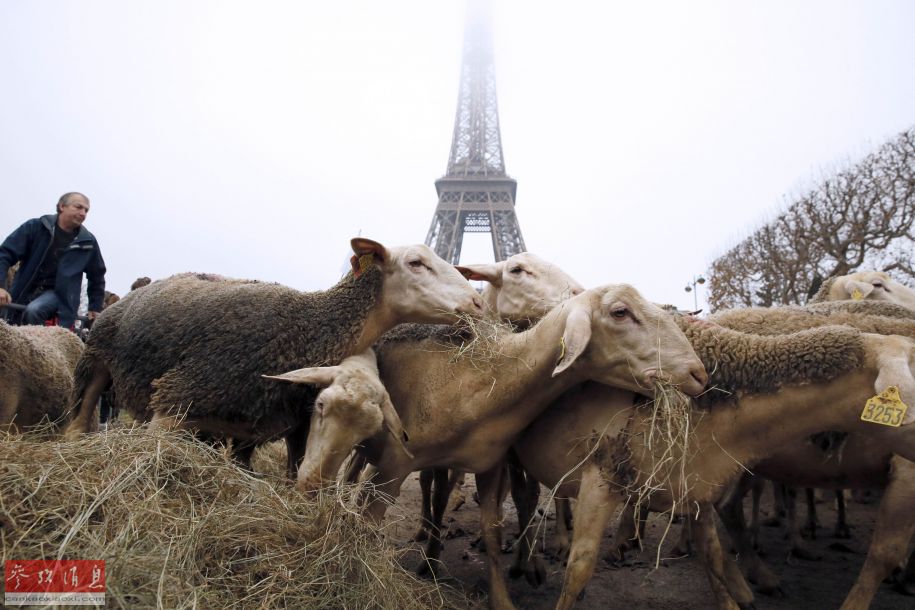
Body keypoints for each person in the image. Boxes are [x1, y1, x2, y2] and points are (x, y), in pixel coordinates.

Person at [0, 192, 106, 328]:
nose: (83, 213)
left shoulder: (87, 242)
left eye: (86, 210)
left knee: (34, 311)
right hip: (24, 288)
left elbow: (97, 275)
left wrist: (95, 307)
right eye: (78, 207)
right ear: (62, 206)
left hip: (59, 295)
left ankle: (34, 347)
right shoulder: (36, 227)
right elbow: (4, 254)